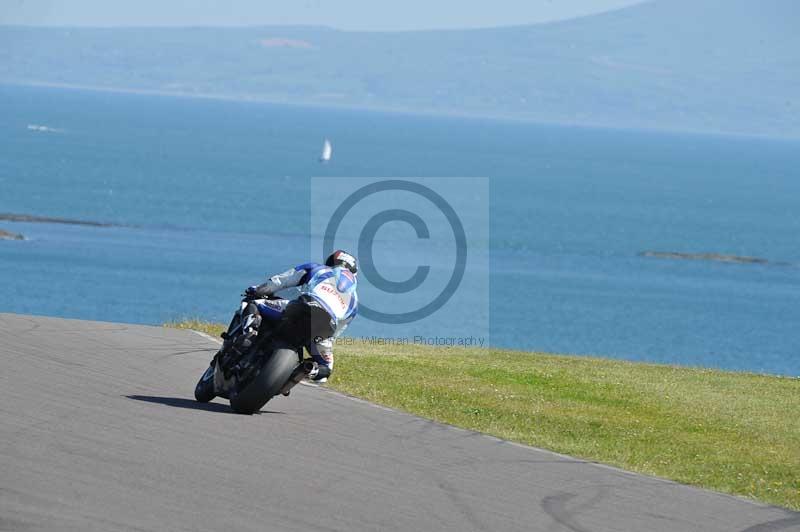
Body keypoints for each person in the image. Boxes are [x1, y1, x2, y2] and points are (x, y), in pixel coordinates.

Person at [223, 250, 358, 384]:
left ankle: (249, 335)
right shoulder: (354, 301)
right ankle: (306, 371)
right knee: (326, 370)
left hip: (304, 307)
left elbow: (280, 281)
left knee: (254, 304)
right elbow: (336, 333)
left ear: (330, 262)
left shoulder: (318, 268)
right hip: (327, 326)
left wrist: (258, 290)